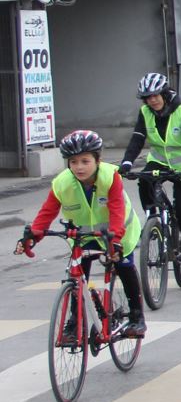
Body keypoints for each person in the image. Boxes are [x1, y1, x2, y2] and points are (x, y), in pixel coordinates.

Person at [15, 130, 147, 338]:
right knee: (76, 276)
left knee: (123, 265)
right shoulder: (61, 183)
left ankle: (137, 317)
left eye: (85, 161)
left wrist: (116, 241)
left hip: (118, 232)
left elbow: (116, 210)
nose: (79, 167)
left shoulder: (110, 177)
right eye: (73, 162)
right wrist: (33, 235)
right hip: (83, 237)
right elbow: (47, 211)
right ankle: (75, 322)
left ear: (97, 160)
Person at [119, 73, 181, 283]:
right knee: (144, 179)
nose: (152, 100)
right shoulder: (145, 112)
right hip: (159, 161)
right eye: (148, 97)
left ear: (164, 94)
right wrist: (127, 162)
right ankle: (153, 221)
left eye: (156, 96)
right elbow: (137, 138)